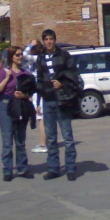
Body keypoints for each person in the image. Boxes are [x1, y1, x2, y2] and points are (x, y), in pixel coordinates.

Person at [36, 29, 81, 181]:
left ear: (55, 40)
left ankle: (70, 168)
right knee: (51, 138)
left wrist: (61, 83)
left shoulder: (64, 55)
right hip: (48, 100)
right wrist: (39, 100)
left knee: (67, 136)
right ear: (43, 41)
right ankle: (53, 168)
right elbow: (39, 79)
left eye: (51, 39)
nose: (49, 42)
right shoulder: (41, 57)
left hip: (62, 100)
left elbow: (73, 74)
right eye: (46, 39)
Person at [0, 45, 35, 181]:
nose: (20, 57)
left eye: (21, 54)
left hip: (20, 105)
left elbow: (31, 92)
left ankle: (22, 168)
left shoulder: (25, 74)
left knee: (20, 141)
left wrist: (23, 94)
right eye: (17, 55)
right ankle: (8, 170)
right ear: (11, 57)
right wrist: (7, 78)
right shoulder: (4, 72)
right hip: (6, 106)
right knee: (7, 142)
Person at [23, 39, 47, 154]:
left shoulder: (37, 58)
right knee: (41, 119)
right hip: (39, 91)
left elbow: (24, 54)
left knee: (40, 119)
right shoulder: (42, 58)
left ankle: (43, 144)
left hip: (39, 92)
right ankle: (44, 142)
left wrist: (30, 45)